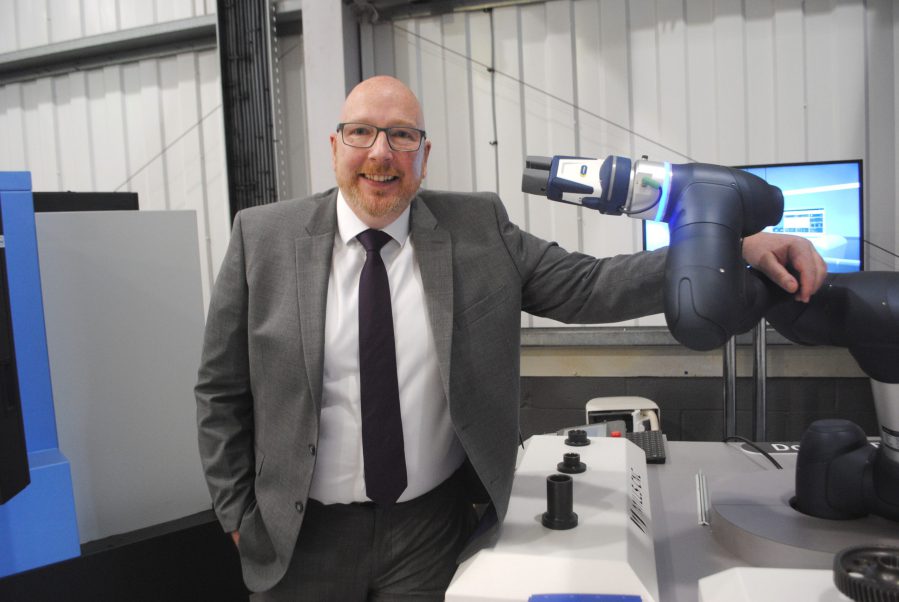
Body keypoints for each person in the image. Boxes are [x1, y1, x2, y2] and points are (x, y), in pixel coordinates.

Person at [195, 75, 827, 600]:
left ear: (424, 154)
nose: (381, 153)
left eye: (402, 135)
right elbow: (220, 391)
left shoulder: (478, 228)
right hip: (301, 538)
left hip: (428, 531)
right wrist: (236, 515)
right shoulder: (262, 239)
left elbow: (590, 286)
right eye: (362, 132)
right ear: (335, 146)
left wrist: (730, 247)